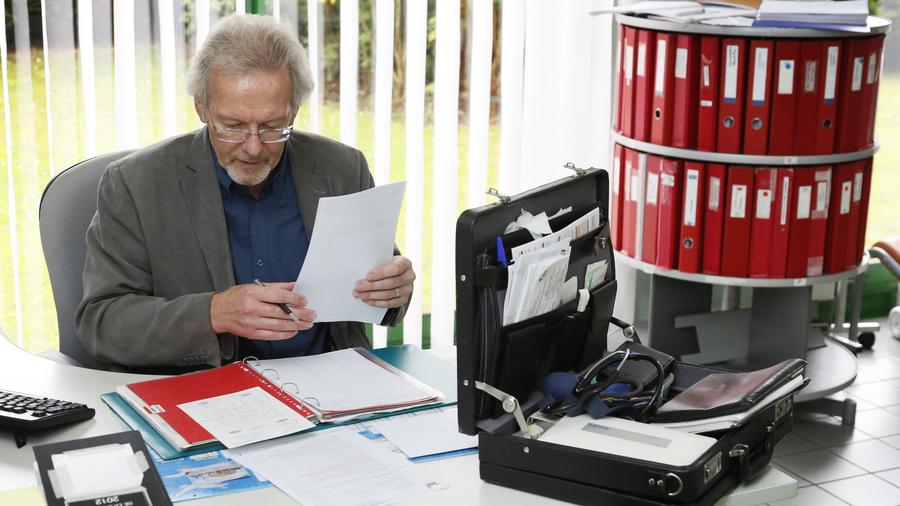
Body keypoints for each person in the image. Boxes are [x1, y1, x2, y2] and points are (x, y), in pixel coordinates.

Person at [75, 14, 414, 374]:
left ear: (293, 111)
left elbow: (381, 286)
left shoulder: (342, 168)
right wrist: (214, 313)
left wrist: (393, 290)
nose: (253, 148)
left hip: (333, 385)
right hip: (206, 392)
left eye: (272, 127)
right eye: (233, 127)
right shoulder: (135, 184)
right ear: (201, 108)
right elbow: (102, 322)